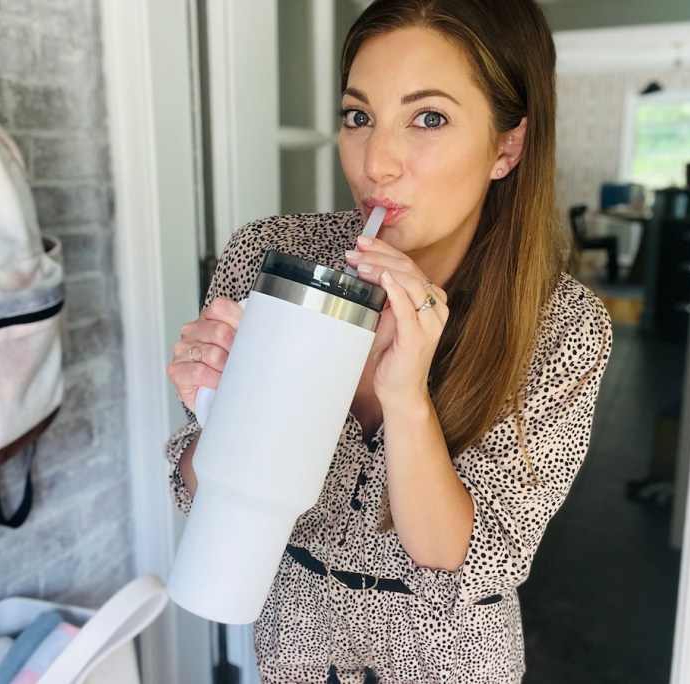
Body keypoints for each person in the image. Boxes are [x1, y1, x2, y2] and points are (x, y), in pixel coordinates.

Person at [166, 0, 612, 681]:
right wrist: (215, 411)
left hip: (449, 651)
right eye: (358, 116)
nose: (376, 162)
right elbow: (204, 489)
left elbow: (468, 554)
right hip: (296, 634)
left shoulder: (563, 327)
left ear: (506, 146)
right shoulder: (272, 256)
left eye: (428, 118)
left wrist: (407, 398)